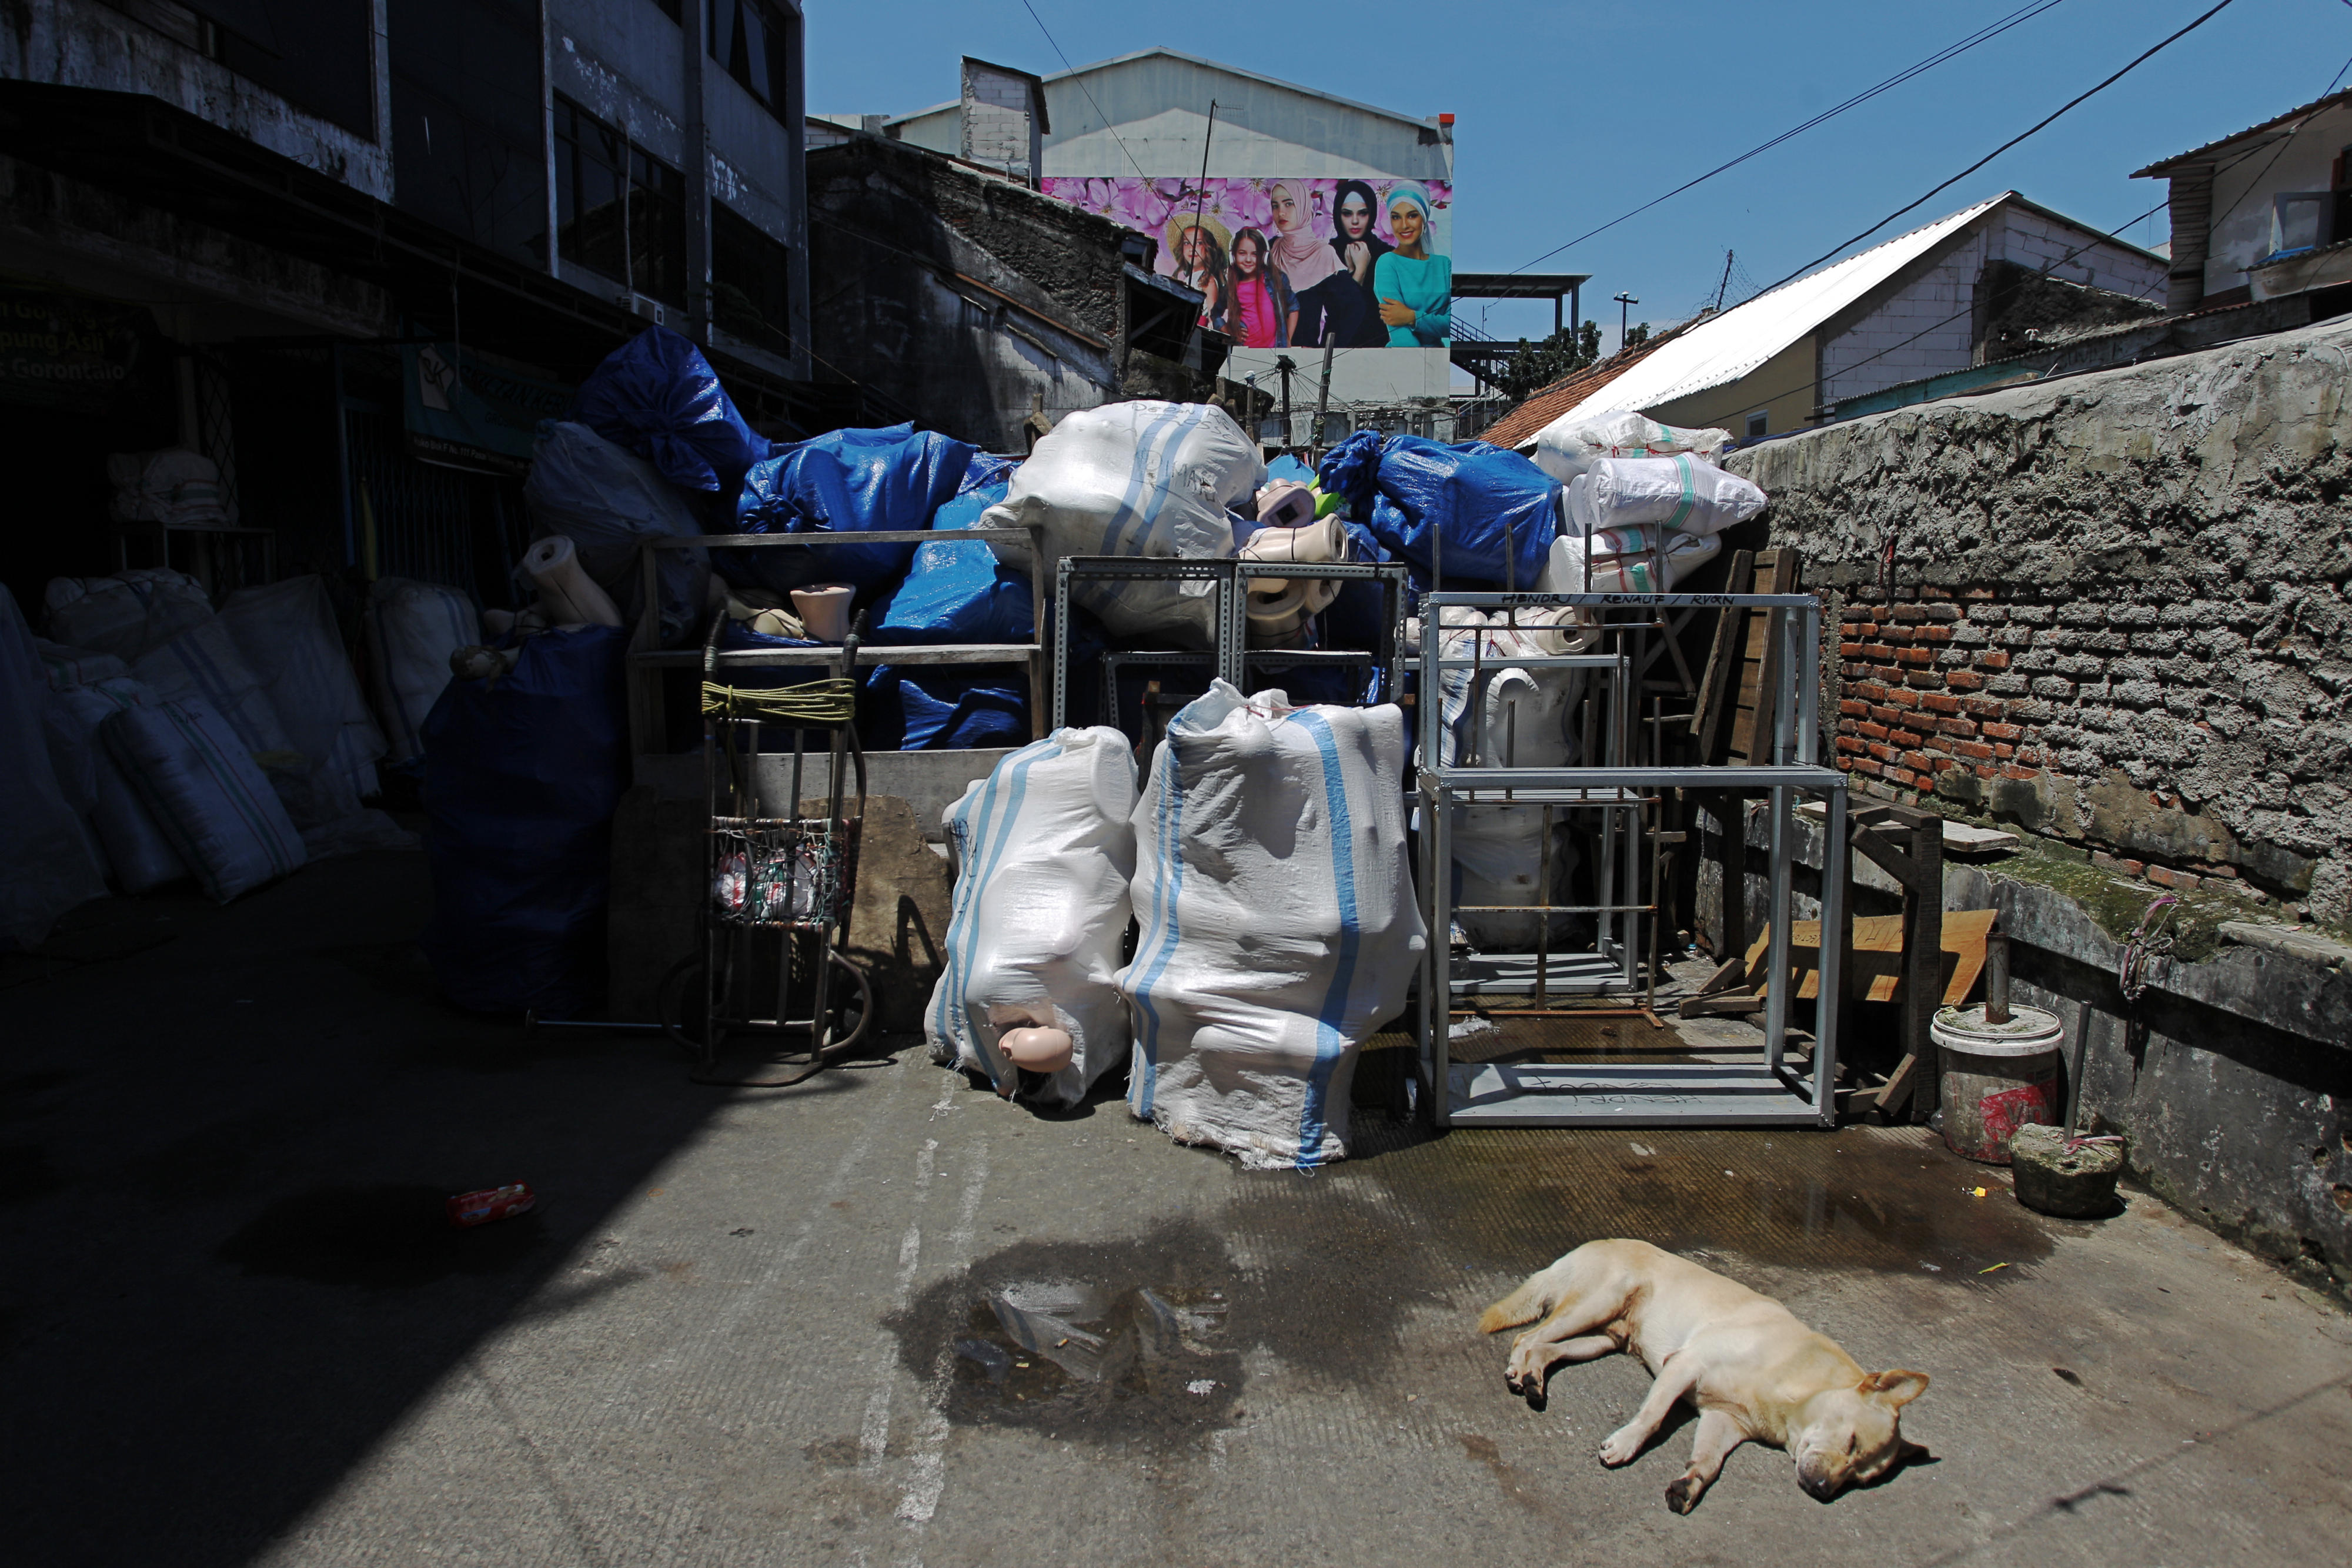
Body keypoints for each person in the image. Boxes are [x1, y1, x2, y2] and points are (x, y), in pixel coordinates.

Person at [1265, 180, 1364, 349]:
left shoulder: (1323, 254)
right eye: (1275, 206)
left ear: (1303, 206)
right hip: (1262, 357)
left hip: (1303, 362)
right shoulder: (1270, 250)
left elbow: (1354, 307)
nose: (1281, 212)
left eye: (1289, 204)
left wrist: (1325, 350)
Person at [1372, 182, 1452, 348]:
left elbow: (1451, 325)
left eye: (1412, 215)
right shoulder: (1387, 263)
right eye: (1396, 217)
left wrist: (1412, 317)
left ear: (1424, 218)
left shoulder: (1445, 265)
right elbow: (1399, 333)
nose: (1404, 225)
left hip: (1438, 362)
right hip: (1402, 361)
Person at [1329, 179, 1392, 346]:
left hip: (1378, 348)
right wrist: (1359, 273)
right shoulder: (1327, 254)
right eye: (1347, 214)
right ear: (1337, 214)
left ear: (1372, 214)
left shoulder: (1386, 254)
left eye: (1363, 213)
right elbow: (1338, 309)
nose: (1355, 221)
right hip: (1334, 348)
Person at [1225, 227, 1295, 348]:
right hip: (1243, 351)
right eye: (1242, 253)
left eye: (1255, 254)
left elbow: (1293, 308)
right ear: (1233, 256)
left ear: (1264, 256)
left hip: (1274, 351)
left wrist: (1288, 339)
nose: (1248, 259)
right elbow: (1216, 316)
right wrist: (1229, 331)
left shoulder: (1276, 279)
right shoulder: (1231, 284)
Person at [1163, 212, 1231, 332]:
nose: (1191, 248)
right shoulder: (1188, 279)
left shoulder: (1207, 280)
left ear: (1209, 248)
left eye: (1199, 243)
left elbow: (1213, 316)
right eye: (1186, 243)